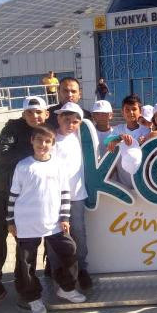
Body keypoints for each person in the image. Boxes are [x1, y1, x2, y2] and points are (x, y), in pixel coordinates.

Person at [0, 96, 50, 313]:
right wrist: (35, 149)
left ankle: (23, 286)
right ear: (23, 114)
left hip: (26, 198)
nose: (34, 116)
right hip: (1, 194)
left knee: (25, 244)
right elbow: (2, 155)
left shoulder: (47, 132)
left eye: (38, 112)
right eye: (29, 112)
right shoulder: (12, 128)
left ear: (46, 114)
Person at [6, 124, 86, 313]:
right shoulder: (23, 166)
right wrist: (10, 221)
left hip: (53, 222)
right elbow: (13, 195)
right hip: (26, 223)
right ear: (32, 141)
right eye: (39, 140)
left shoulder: (58, 165)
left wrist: (64, 217)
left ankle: (66, 288)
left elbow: (65, 193)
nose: (43, 144)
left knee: (70, 250)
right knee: (27, 263)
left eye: (47, 141)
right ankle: (33, 297)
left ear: (53, 144)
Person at [52, 102, 92, 290]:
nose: (70, 124)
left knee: (79, 234)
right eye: (66, 120)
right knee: (55, 236)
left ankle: (82, 270)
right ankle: (57, 272)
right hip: (53, 197)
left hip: (76, 195)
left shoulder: (80, 137)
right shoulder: (50, 138)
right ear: (59, 118)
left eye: (75, 121)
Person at [107, 95, 150, 188]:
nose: (131, 112)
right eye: (127, 110)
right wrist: (119, 138)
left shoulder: (146, 130)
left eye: (134, 109)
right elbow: (106, 141)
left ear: (140, 111)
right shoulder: (118, 129)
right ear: (122, 112)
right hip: (122, 183)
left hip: (142, 182)